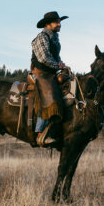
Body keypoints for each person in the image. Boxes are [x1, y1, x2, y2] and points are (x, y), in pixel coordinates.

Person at [30, 10, 70, 147]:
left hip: (51, 72)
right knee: (50, 95)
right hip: (41, 72)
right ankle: (40, 132)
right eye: (57, 22)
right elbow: (43, 58)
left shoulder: (54, 38)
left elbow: (55, 57)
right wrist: (57, 65)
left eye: (59, 22)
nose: (59, 24)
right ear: (48, 24)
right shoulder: (42, 37)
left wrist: (62, 64)